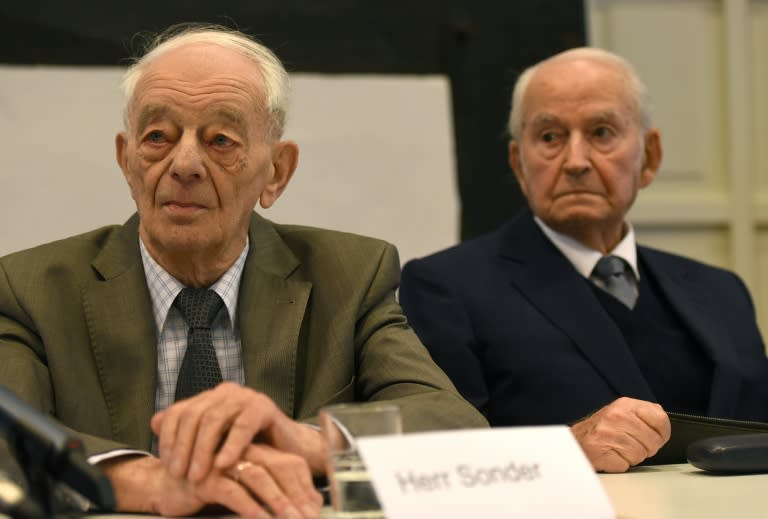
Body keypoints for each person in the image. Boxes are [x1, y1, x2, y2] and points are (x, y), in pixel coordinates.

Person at [0, 24, 487, 517]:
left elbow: (454, 427)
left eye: (220, 140)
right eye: (157, 137)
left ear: (276, 172)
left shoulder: (350, 276)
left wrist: (305, 440)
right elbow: (4, 435)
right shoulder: (32, 288)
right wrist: (149, 480)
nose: (184, 163)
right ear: (127, 160)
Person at [399, 47, 768, 473]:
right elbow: (435, 461)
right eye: (550, 138)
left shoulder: (721, 291)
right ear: (519, 164)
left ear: (649, 157)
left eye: (602, 132)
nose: (575, 162)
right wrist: (565, 449)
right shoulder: (446, 288)